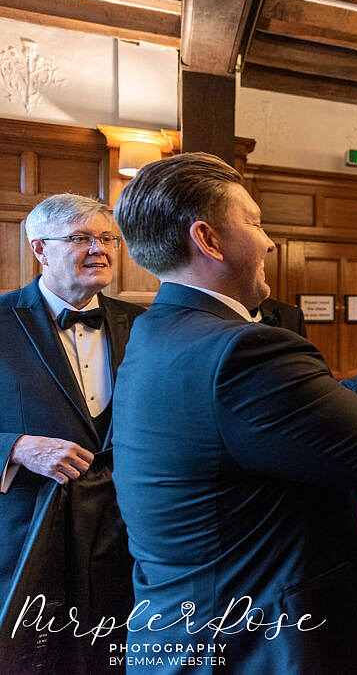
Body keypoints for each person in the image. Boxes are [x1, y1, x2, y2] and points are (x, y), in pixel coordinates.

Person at [110, 152, 357, 674]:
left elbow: (289, 424)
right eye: (255, 222)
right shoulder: (242, 350)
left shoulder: (157, 331)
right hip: (258, 639)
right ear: (209, 240)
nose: (268, 241)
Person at [0, 194, 144, 671]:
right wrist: (16, 447)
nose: (99, 249)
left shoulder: (144, 324)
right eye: (81, 238)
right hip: (30, 531)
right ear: (40, 248)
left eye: (107, 238)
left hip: (127, 532)